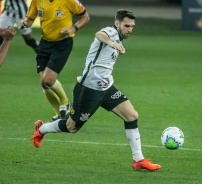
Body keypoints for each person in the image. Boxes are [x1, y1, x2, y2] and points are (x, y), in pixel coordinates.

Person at [31, 9, 161, 171]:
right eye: (127, 25)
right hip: (88, 89)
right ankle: (41, 128)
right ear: (117, 23)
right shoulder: (110, 32)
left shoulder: (119, 37)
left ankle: (138, 160)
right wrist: (111, 43)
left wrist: (115, 45)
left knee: (131, 116)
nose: (130, 29)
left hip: (106, 87)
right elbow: (99, 34)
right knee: (72, 127)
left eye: (132, 26)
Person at [19, 0, 90, 120]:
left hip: (62, 44)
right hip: (44, 43)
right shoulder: (37, 1)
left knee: (48, 79)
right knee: (44, 83)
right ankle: (59, 115)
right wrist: (25, 23)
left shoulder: (69, 1)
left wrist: (74, 28)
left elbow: (85, 17)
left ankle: (66, 103)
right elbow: (30, 19)